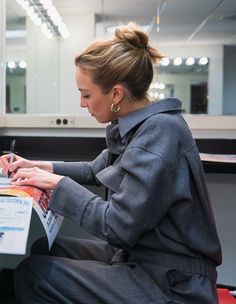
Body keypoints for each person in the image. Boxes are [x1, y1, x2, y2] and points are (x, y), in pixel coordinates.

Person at [0, 22, 222, 304]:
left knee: (34, 274)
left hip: (173, 283)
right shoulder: (143, 127)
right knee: (45, 247)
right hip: (145, 258)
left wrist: (59, 186)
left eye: (86, 94)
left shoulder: (160, 134)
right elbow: (96, 170)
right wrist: (40, 166)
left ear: (115, 94)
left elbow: (118, 227)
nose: (82, 103)